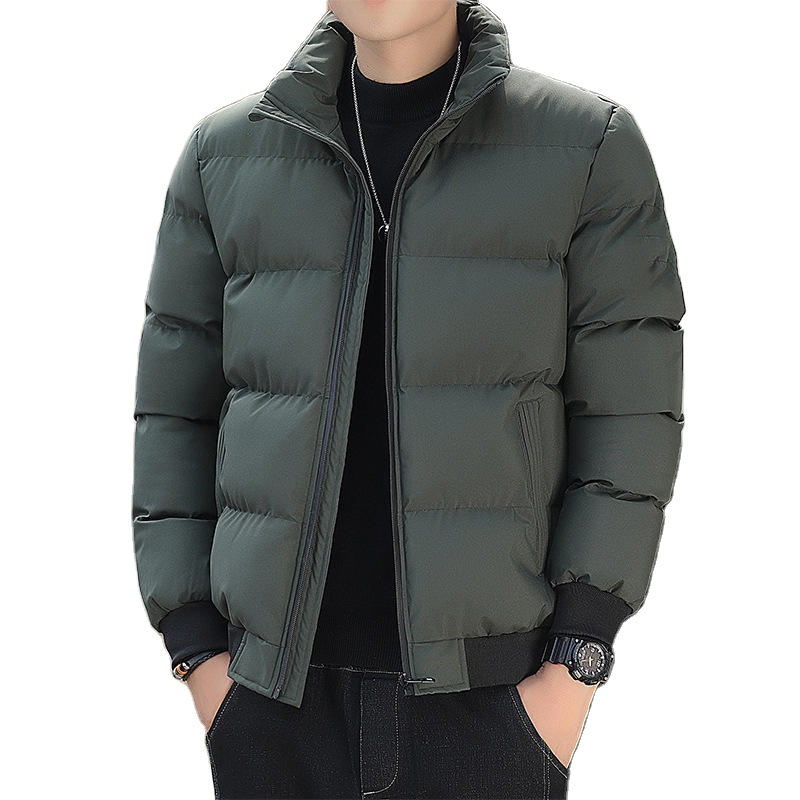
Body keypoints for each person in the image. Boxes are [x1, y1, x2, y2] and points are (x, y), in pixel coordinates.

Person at [131, 0, 686, 797]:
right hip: (270, 705)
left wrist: (574, 666)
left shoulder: (585, 146)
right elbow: (175, 416)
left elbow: (630, 414)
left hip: (491, 702)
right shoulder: (226, 155)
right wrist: (199, 654)